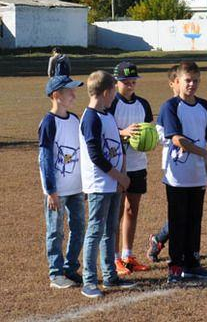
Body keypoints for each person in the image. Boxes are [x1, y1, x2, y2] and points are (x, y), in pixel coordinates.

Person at [160, 60, 207, 283]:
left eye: (196, 80)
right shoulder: (170, 107)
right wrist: (206, 154)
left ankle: (192, 263)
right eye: (188, 80)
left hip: (199, 174)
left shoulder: (205, 106)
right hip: (177, 176)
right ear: (177, 81)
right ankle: (175, 267)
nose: (192, 85)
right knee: (178, 221)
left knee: (194, 220)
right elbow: (178, 139)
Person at [79, 71, 135, 298]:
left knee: (110, 229)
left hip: (113, 183)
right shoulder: (91, 117)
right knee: (95, 230)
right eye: (113, 91)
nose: (115, 96)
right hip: (99, 184)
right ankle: (89, 280)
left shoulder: (106, 114)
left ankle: (110, 276)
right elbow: (95, 155)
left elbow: (117, 146)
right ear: (106, 92)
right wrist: (118, 176)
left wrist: (122, 173)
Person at [39, 75, 86, 289]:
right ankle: (55, 273)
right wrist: (51, 191)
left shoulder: (75, 119)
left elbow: (82, 153)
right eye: (69, 91)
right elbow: (45, 159)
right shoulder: (48, 122)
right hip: (57, 190)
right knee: (55, 231)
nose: (74, 95)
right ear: (56, 95)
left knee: (79, 228)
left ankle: (70, 268)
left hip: (76, 188)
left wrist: (84, 184)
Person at [110, 62, 153, 276]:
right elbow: (105, 132)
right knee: (116, 212)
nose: (130, 84)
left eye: (133, 81)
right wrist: (123, 132)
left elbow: (148, 130)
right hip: (117, 166)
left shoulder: (143, 104)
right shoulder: (111, 104)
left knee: (131, 210)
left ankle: (128, 255)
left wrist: (149, 139)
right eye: (126, 81)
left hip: (138, 164)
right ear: (116, 82)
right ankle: (115, 258)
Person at [147, 64, 179, 263]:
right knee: (178, 212)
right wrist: (176, 137)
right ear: (172, 84)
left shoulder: (196, 105)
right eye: (181, 81)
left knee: (186, 213)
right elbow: (159, 135)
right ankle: (159, 241)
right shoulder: (168, 107)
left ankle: (176, 248)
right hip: (173, 166)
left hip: (192, 167)